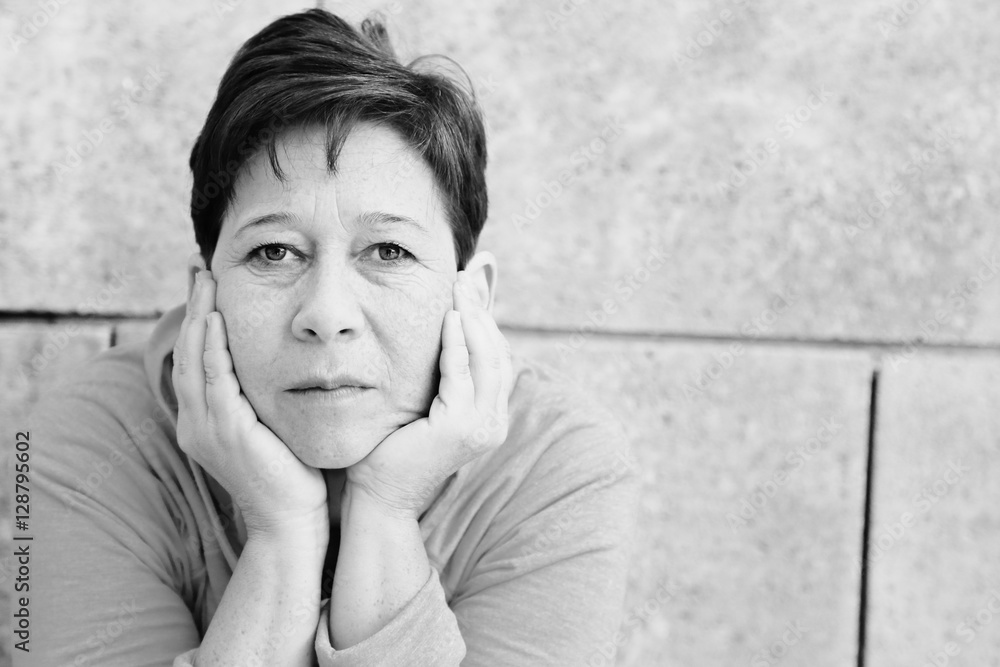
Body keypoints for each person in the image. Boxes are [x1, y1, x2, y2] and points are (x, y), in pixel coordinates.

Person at [27, 9, 640, 666]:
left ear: (473, 298)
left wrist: (387, 506)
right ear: (205, 294)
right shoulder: (91, 439)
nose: (326, 313)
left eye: (388, 251)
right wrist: (280, 529)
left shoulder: (558, 467)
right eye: (273, 252)